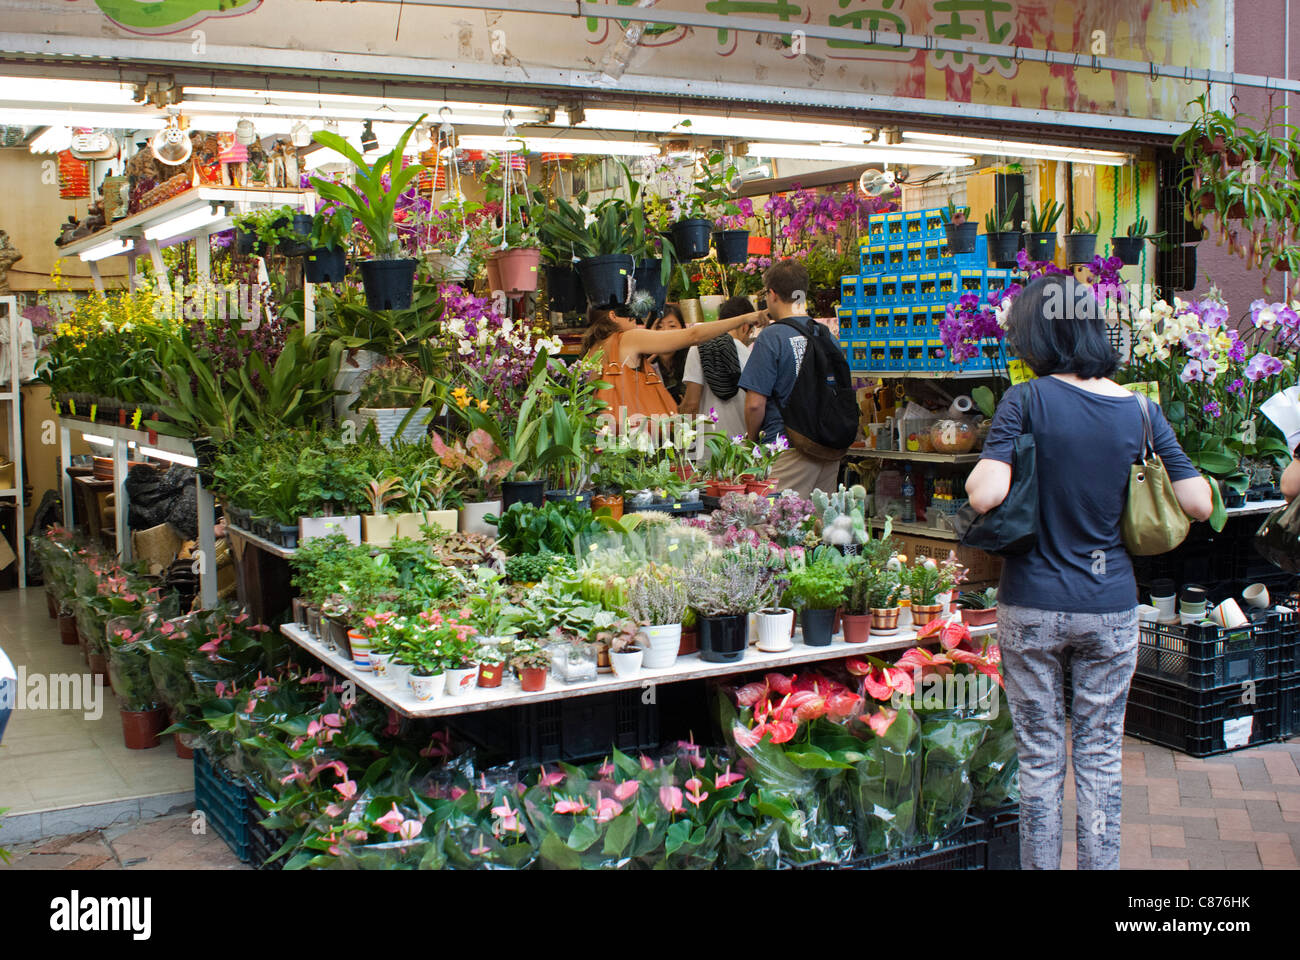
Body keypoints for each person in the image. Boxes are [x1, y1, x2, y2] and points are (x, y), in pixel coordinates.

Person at [964, 274, 1212, 871]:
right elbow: (1200, 503)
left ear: (1038, 334)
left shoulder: (1026, 401)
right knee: (1101, 758)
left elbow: (984, 494)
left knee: (1040, 758)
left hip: (1032, 604)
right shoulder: (1141, 410)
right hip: (1111, 605)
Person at [738, 259, 844, 498]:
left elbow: (755, 403)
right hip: (828, 448)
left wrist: (752, 441)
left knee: (776, 524)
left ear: (772, 294)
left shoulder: (772, 337)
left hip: (787, 448)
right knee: (820, 526)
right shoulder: (826, 335)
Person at [582, 303, 765, 427]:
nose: (634, 316)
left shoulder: (594, 346)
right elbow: (694, 335)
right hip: (628, 433)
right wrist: (744, 318)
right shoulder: (629, 339)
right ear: (613, 316)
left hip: (602, 431)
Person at [680, 295, 755, 442]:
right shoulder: (753, 357)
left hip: (707, 446)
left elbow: (691, 405)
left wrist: (682, 442)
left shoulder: (699, 348)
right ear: (745, 327)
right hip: (742, 448)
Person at [647, 306, 689, 404]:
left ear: (683, 329)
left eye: (672, 326)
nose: (665, 331)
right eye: (659, 327)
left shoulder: (691, 357)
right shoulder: (642, 360)